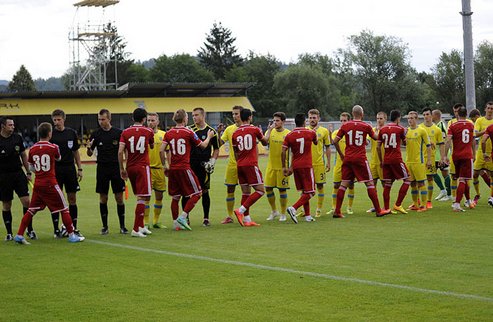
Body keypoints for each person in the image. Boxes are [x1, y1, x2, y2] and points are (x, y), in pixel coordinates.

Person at [13, 122, 85, 245]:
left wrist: (39, 170)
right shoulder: (53, 147)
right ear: (50, 133)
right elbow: (58, 158)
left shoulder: (33, 148)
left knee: (31, 210)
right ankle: (72, 235)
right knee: (64, 208)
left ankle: (19, 234)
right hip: (50, 183)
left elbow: (31, 168)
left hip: (38, 184)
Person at [161, 109, 214, 230]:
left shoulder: (168, 133)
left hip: (173, 169)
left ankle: (175, 224)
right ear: (185, 119)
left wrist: (165, 166)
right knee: (197, 193)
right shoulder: (189, 132)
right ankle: (183, 217)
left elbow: (161, 149)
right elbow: (203, 146)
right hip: (184, 168)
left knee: (175, 197)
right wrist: (209, 136)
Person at [332, 105, 386, 218]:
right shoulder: (366, 126)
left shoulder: (345, 126)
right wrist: (386, 133)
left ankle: (337, 211)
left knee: (343, 184)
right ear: (362, 114)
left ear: (352, 114)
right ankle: (378, 210)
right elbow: (376, 137)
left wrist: (342, 155)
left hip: (348, 158)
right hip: (360, 158)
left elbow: (335, 141)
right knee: (370, 183)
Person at [87, 109, 128, 235]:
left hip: (116, 168)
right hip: (102, 168)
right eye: (99, 119)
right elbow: (89, 154)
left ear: (109, 119)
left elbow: (125, 150)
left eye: (103, 119)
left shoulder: (118, 133)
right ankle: (105, 227)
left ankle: (122, 226)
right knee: (103, 197)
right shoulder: (95, 134)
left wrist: (125, 166)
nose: (101, 122)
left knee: (119, 197)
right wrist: (89, 148)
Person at [118, 108, 154, 238]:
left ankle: (141, 226)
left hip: (130, 167)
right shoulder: (148, 131)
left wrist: (122, 168)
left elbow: (120, 151)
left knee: (142, 196)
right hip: (142, 167)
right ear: (144, 119)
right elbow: (151, 146)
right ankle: (135, 229)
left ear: (132, 118)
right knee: (142, 198)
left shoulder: (125, 132)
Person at [232, 109, 271, 227]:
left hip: (240, 164)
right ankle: (241, 211)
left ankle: (247, 220)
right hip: (251, 164)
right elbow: (265, 142)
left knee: (246, 193)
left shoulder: (235, 133)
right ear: (250, 117)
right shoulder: (255, 129)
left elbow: (235, 152)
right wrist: (269, 130)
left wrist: (240, 161)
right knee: (260, 190)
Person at [182, 107, 220, 227]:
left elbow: (216, 149)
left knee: (205, 191)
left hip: (204, 165)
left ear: (203, 116)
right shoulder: (189, 130)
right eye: (193, 115)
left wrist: (212, 162)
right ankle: (185, 218)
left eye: (196, 115)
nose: (194, 117)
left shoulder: (212, 131)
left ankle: (206, 218)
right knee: (187, 192)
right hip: (190, 164)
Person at [50, 109, 83, 237]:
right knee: (56, 199)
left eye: (59, 119)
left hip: (69, 169)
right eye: (54, 120)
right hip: (55, 170)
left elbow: (75, 151)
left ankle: (73, 227)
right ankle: (56, 229)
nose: (57, 122)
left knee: (72, 198)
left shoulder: (71, 133)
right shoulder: (50, 134)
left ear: (64, 119)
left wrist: (79, 168)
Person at [0, 117, 34, 241]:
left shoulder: (17, 138)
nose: (13, 127)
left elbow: (23, 155)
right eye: (10, 125)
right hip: (3, 176)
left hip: (18, 174)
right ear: (3, 126)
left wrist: (28, 171)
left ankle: (30, 230)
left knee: (27, 202)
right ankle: (9, 233)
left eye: (13, 125)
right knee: (7, 204)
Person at [282, 113, 318, 223]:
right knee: (311, 192)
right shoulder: (311, 133)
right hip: (307, 165)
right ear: (304, 122)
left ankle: (308, 216)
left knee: (304, 191)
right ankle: (293, 208)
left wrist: (284, 166)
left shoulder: (289, 135)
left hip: (296, 166)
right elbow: (315, 142)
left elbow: (283, 151)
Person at [377, 110, 411, 214]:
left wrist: (381, 160)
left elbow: (378, 147)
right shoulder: (400, 129)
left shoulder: (382, 129)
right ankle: (398, 204)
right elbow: (405, 143)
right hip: (396, 159)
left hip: (386, 160)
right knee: (408, 179)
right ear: (398, 118)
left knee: (387, 184)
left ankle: (386, 208)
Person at [445, 105, 475, 212]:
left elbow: (448, 141)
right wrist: (474, 154)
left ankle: (468, 200)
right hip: (467, 155)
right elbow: (473, 141)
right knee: (463, 179)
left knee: (462, 178)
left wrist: (444, 155)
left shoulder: (453, 126)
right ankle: (457, 204)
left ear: (457, 114)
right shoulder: (471, 125)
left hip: (456, 156)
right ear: (466, 114)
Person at [326, 112, 355, 215]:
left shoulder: (352, 132)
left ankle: (349, 207)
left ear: (349, 121)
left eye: (345, 120)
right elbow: (331, 142)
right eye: (341, 120)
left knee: (350, 185)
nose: (342, 122)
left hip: (350, 163)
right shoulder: (336, 132)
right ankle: (334, 207)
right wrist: (329, 133)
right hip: (338, 163)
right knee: (336, 185)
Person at [218, 106, 243, 224]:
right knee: (230, 190)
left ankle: (244, 215)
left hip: (245, 165)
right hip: (232, 165)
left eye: (236, 114)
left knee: (246, 190)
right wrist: (218, 133)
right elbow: (220, 143)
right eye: (233, 114)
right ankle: (229, 216)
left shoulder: (249, 128)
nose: (234, 116)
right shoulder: (229, 129)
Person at [265, 112, 291, 222]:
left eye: (277, 120)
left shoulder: (288, 134)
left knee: (282, 190)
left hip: (282, 167)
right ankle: (274, 211)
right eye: (274, 120)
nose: (275, 122)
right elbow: (264, 143)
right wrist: (269, 130)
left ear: (283, 121)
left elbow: (293, 151)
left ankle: (283, 213)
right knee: (268, 189)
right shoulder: (270, 132)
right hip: (271, 166)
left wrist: (290, 167)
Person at [305, 109, 330, 217]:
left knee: (320, 186)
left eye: (314, 118)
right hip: (306, 164)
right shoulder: (304, 130)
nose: (312, 120)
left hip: (319, 164)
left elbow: (328, 147)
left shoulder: (324, 131)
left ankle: (319, 209)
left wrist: (328, 162)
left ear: (318, 118)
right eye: (310, 118)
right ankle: (305, 210)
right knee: (305, 188)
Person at [405, 111, 432, 212]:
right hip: (409, 161)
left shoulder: (422, 131)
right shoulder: (406, 131)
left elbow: (428, 146)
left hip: (419, 161)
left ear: (416, 119)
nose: (410, 120)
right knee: (412, 184)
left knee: (421, 183)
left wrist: (428, 160)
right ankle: (416, 204)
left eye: (412, 118)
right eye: (409, 118)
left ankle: (424, 205)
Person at [419, 107, 445, 209]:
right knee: (418, 181)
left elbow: (441, 144)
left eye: (427, 114)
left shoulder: (437, 130)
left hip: (431, 158)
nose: (426, 117)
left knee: (430, 178)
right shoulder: (419, 128)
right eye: (424, 115)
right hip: (420, 158)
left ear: (431, 116)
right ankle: (418, 201)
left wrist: (443, 157)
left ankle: (428, 201)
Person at [145, 112, 167, 229]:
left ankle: (156, 221)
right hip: (147, 170)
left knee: (159, 197)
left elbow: (168, 152)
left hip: (159, 170)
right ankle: (145, 222)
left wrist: (167, 166)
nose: (150, 122)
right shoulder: (143, 135)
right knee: (146, 198)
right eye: (148, 120)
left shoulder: (163, 135)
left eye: (153, 120)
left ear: (157, 122)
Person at [472, 102, 493, 205]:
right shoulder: (480, 120)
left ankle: (491, 197)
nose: (490, 110)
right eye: (488, 108)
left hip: (491, 152)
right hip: (481, 152)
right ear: (485, 109)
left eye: (491, 108)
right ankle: (478, 194)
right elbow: (475, 134)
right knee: (475, 174)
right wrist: (487, 131)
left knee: (492, 175)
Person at [366, 111, 386, 213]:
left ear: (385, 119)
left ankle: (384, 206)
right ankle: (375, 206)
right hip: (373, 161)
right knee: (372, 184)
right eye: (377, 118)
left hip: (383, 162)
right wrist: (365, 141)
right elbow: (368, 141)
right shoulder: (372, 130)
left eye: (381, 118)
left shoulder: (387, 130)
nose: (379, 120)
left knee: (384, 185)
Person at [432, 109, 452, 201]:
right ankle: (443, 190)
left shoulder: (441, 125)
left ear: (436, 115)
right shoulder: (435, 126)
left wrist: (443, 156)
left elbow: (444, 141)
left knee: (445, 174)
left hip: (441, 154)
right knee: (433, 172)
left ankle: (449, 194)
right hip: (435, 154)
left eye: (432, 114)